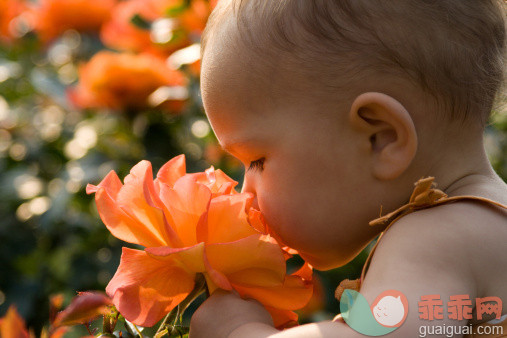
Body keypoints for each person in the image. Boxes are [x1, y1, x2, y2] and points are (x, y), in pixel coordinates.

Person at [189, 0, 507, 336]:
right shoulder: (485, 223)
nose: (245, 194)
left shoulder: (436, 239)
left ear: (380, 138)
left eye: (257, 160)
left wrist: (239, 332)